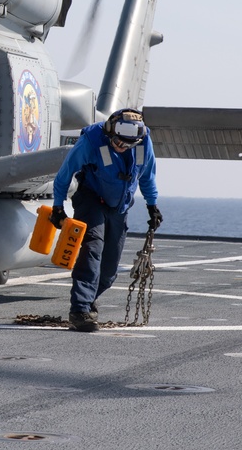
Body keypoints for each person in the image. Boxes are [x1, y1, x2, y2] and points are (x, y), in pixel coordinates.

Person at [50, 108, 162, 332]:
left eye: (128, 145)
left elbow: (147, 176)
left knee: (109, 270)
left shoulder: (142, 143)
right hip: (91, 199)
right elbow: (65, 174)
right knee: (93, 248)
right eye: (119, 142)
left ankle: (88, 299)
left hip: (119, 207)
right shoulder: (91, 142)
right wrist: (58, 206)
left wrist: (152, 206)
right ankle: (80, 310)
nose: (122, 147)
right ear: (111, 132)